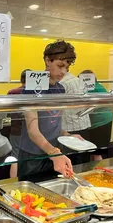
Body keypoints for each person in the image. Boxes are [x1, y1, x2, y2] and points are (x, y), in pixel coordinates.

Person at [18, 40, 83, 182]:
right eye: (60, 66)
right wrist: (54, 152)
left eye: (66, 67)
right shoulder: (31, 88)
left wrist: (69, 135)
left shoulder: (60, 89)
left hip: (54, 153)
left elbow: (54, 123)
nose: (63, 72)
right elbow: (33, 131)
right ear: (48, 61)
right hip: (33, 156)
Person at [80, 70, 113, 160]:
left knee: (97, 151)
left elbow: (84, 105)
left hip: (99, 123)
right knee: (98, 151)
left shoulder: (90, 89)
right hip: (105, 121)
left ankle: (98, 170)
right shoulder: (99, 86)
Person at [60, 72, 91, 165]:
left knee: (72, 161)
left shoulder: (62, 84)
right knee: (84, 159)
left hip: (70, 127)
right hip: (84, 124)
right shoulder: (79, 81)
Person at [7, 69, 31, 178]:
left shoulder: (12, 92)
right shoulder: (35, 93)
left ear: (21, 80)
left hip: (16, 130)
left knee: (15, 158)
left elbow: (7, 112)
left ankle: (13, 183)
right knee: (30, 157)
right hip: (32, 131)